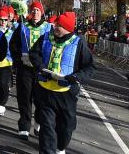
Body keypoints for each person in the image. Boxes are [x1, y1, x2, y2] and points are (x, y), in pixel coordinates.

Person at [30, 11, 95, 154]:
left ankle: (60, 147)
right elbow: (34, 53)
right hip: (45, 90)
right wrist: (40, 66)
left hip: (67, 94)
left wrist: (76, 77)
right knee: (47, 126)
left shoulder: (79, 43)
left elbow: (90, 67)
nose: (54, 26)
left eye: (58, 25)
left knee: (66, 127)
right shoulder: (45, 37)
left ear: (66, 28)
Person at [9, 0, 51, 140]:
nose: (35, 13)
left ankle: (38, 121)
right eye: (33, 10)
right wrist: (18, 58)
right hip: (25, 68)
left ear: (42, 12)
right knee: (25, 98)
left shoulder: (48, 28)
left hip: (41, 70)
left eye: (37, 10)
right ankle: (24, 126)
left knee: (40, 100)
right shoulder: (22, 26)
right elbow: (13, 44)